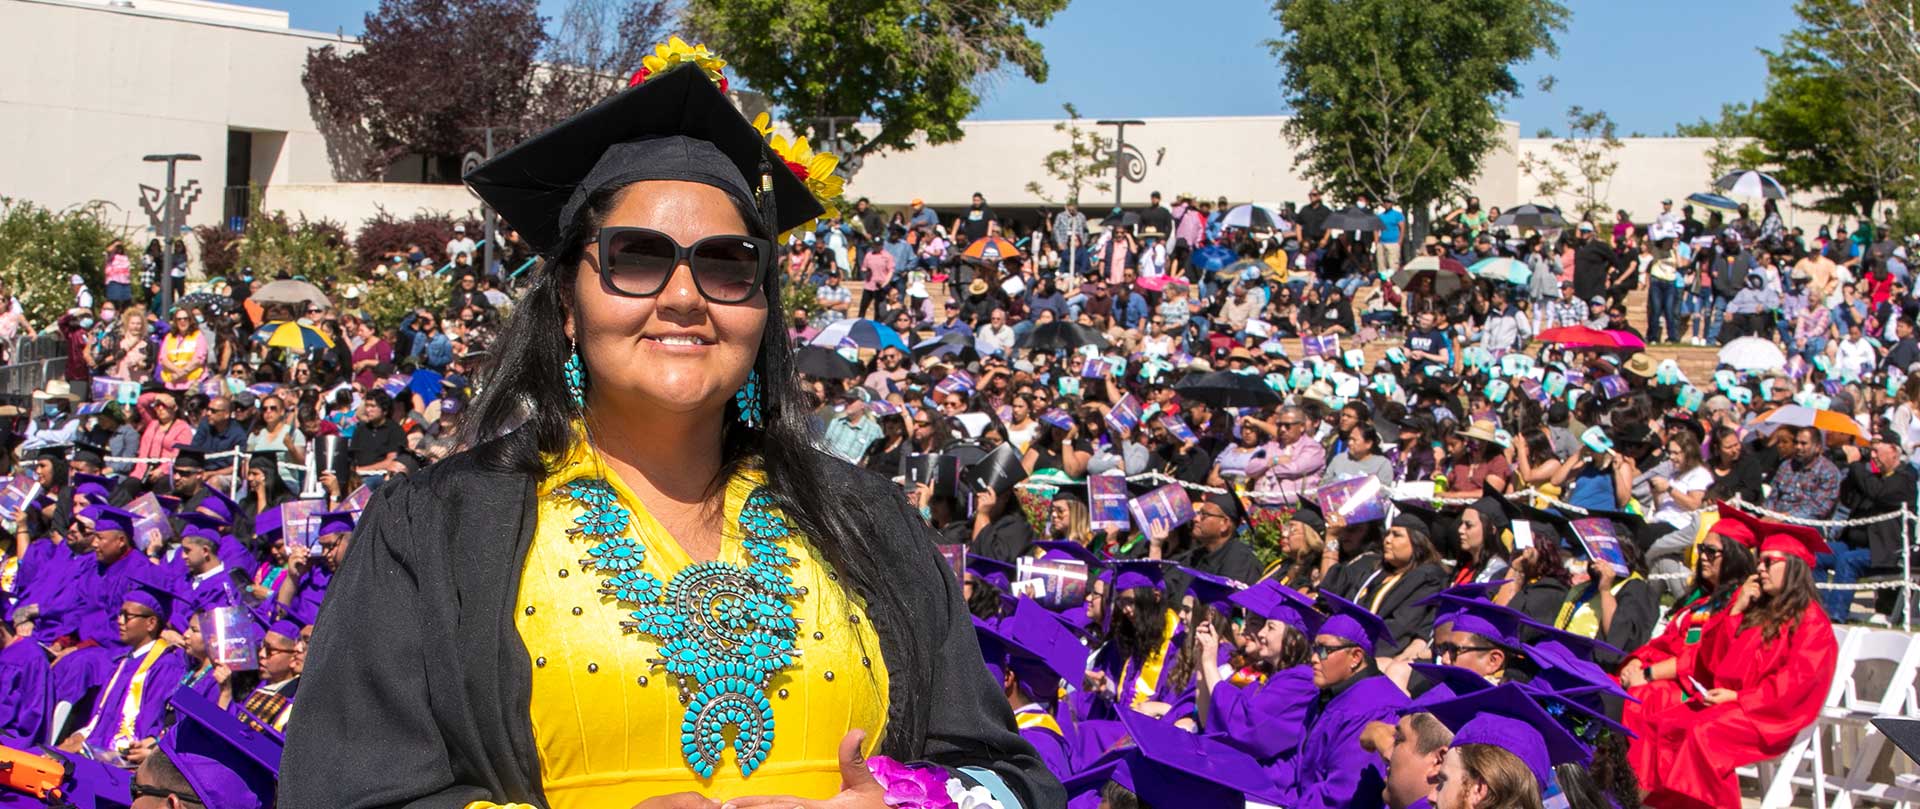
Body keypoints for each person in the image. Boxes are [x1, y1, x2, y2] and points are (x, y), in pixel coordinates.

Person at [285, 57, 1060, 808]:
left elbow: (1006, 776)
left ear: (763, 308)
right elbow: (349, 790)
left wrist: (901, 807)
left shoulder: (867, 520)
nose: (686, 296)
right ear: (565, 300)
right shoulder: (439, 528)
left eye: (728, 265)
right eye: (637, 257)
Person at [1633, 519, 1839, 809]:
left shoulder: (1812, 624)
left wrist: (1739, 698)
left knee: (1703, 734)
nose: (1760, 570)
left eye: (1769, 562)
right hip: (1733, 704)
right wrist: (1736, 612)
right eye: (1760, 563)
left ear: (1793, 567)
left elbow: (1794, 686)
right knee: (1664, 722)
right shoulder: (1758, 612)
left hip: (1770, 716)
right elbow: (1715, 663)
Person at [1280, 592, 1409, 809]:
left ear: (1356, 657)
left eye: (1324, 650)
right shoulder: (1329, 695)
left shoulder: (1377, 708)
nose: (1313, 658)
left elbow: (1344, 793)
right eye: (1314, 648)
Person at [1839, 429, 1918, 626]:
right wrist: (1853, 471)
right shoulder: (1873, 477)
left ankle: (1834, 616)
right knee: (1819, 555)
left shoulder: (1905, 477)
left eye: (1876, 451)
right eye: (1870, 451)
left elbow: (1877, 492)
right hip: (1856, 544)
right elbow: (1849, 500)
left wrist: (1856, 465)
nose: (1872, 455)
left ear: (1893, 450)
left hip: (1886, 551)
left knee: (1847, 561)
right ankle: (1814, 609)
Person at [1173, 491, 1261, 584]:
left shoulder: (1240, 561)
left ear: (1225, 524)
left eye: (1204, 515)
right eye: (1198, 513)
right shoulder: (1195, 556)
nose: (1196, 519)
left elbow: (1226, 595)